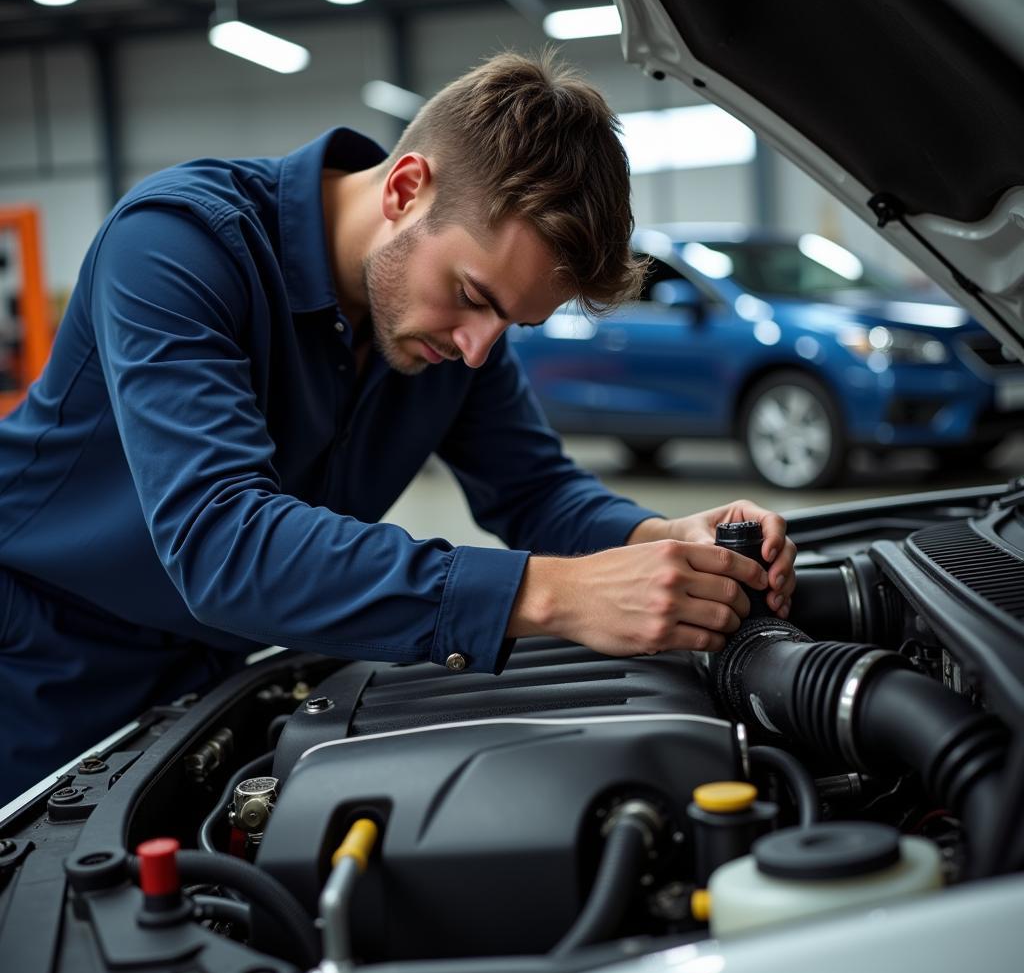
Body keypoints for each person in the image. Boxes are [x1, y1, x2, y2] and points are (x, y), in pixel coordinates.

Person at [0, 51, 796, 803]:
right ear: (405, 189)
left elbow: (534, 489)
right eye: (476, 296)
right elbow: (222, 541)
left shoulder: (446, 333)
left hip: (215, 680)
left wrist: (656, 541)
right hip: (44, 675)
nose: (478, 348)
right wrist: (551, 592)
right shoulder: (179, 246)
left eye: (510, 324)